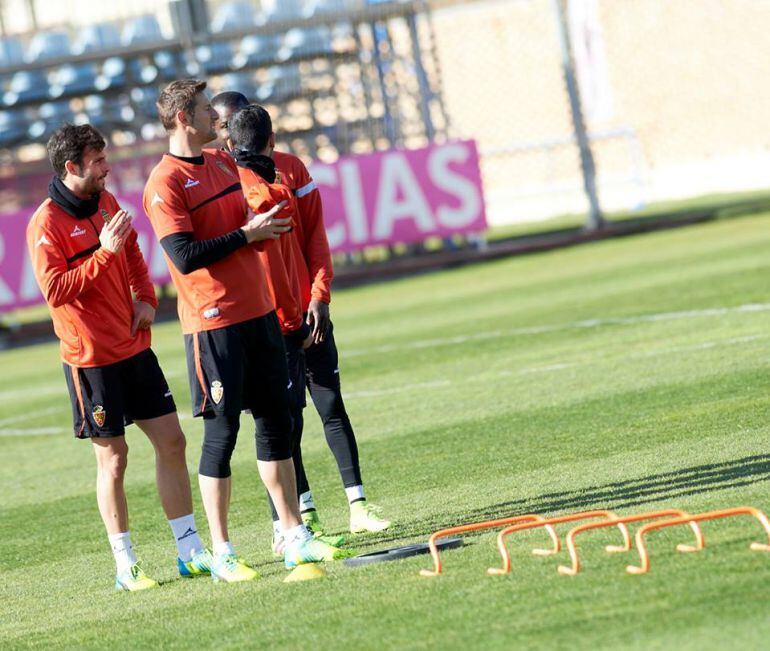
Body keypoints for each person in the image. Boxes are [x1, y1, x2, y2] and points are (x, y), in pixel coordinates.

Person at [142, 79, 342, 580]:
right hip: (213, 323)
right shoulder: (163, 183)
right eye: (209, 110)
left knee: (277, 422)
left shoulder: (222, 163)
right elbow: (184, 257)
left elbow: (251, 216)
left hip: (261, 312)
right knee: (222, 433)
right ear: (185, 118)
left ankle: (294, 536)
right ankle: (223, 551)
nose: (219, 118)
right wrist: (245, 235)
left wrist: (264, 216)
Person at [27, 124, 212, 591]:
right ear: (72, 167)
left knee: (172, 441)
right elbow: (55, 290)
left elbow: (130, 247)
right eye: (97, 162)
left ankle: (189, 551)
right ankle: (125, 565)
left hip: (133, 347)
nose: (107, 168)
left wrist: (146, 296)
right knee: (114, 461)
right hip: (89, 358)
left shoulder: (106, 202)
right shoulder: (45, 223)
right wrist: (104, 254)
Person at [212, 92, 391, 540]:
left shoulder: (292, 168)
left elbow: (315, 238)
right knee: (282, 418)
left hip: (306, 308)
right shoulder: (219, 180)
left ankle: (358, 506)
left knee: (330, 402)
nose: (229, 134)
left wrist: (320, 296)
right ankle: (300, 515)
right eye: (221, 127)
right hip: (264, 319)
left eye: (233, 124)